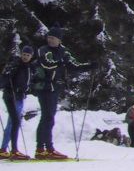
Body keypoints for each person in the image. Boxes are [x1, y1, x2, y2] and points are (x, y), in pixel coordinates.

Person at [32, 27, 95, 160]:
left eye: (53, 38)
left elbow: (74, 65)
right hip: (43, 87)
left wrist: (89, 66)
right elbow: (47, 63)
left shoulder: (63, 51)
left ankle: (46, 148)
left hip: (54, 88)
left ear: (59, 39)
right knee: (47, 116)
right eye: (49, 37)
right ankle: (42, 148)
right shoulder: (43, 50)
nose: (50, 40)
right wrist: (60, 63)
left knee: (49, 117)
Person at [1, 44, 35, 160]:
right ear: (21, 54)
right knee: (15, 121)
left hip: (20, 97)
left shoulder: (29, 67)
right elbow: (5, 78)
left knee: (13, 122)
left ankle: (4, 149)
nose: (25, 57)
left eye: (28, 55)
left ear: (31, 56)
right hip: (12, 96)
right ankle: (13, 150)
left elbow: (29, 82)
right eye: (24, 54)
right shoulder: (16, 64)